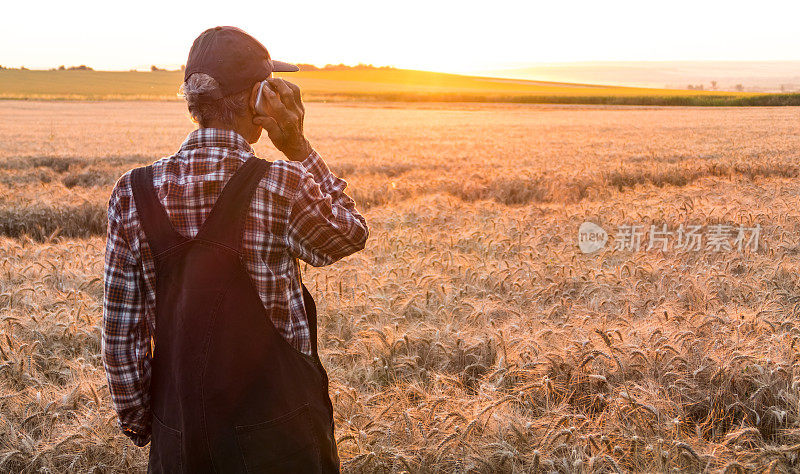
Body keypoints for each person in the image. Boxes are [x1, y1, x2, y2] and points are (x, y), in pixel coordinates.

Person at [101, 26, 368, 472]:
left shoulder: (133, 192)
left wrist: (154, 427)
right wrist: (297, 146)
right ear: (258, 97)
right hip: (280, 435)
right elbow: (349, 234)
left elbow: (120, 332)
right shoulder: (282, 184)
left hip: (178, 434)